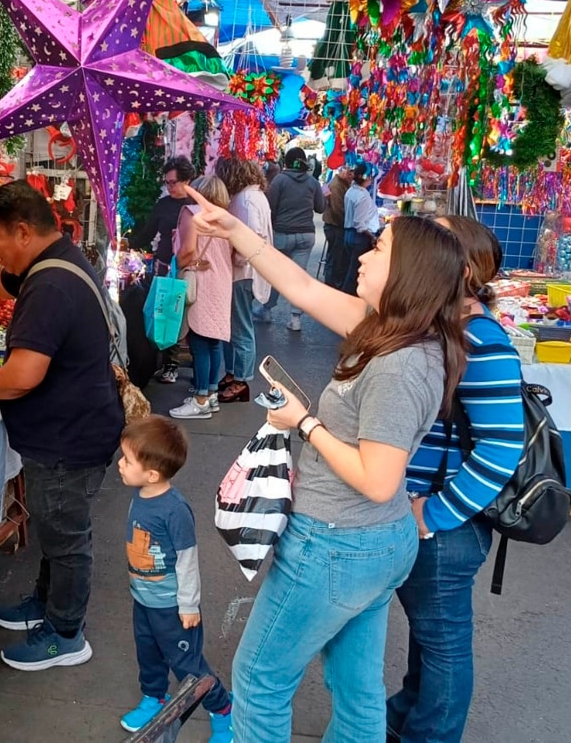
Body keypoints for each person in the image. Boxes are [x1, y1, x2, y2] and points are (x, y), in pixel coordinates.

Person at [186, 184, 468, 743]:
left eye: (379, 249)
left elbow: (378, 478)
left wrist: (304, 422)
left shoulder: (400, 363)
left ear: (409, 273)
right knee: (357, 687)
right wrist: (235, 230)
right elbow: (302, 286)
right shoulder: (391, 330)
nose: (363, 254)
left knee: (259, 679)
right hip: (370, 544)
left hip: (337, 545)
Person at [0, 180, 124, 671]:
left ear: (21, 231)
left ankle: (65, 633)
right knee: (54, 529)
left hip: (69, 437)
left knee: (66, 535)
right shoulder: (49, 261)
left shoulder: (51, 285)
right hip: (70, 428)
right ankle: (45, 603)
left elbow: (23, 375)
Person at [386, 216, 525, 743]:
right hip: (425, 515)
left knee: (443, 642)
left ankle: (430, 732)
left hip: (443, 526)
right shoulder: (441, 328)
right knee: (429, 637)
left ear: (459, 268)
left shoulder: (479, 340)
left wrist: (434, 514)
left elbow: (500, 448)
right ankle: (407, 713)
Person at [117, 415, 233, 742]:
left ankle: (223, 710)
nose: (120, 464)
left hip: (172, 607)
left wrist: (189, 605)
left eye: (127, 460)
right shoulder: (141, 495)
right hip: (144, 600)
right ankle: (155, 698)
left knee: (188, 665)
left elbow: (187, 560)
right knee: (148, 653)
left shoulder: (174, 509)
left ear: (152, 474)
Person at [128, 156, 197, 384]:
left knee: (182, 316)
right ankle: (161, 361)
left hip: (188, 268)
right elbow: (149, 233)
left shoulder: (196, 205)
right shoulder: (163, 204)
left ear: (187, 180)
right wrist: (129, 243)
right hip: (164, 265)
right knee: (163, 314)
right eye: (166, 182)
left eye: (173, 182)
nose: (169, 187)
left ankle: (175, 365)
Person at [169, 176, 233, 420]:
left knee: (198, 341)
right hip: (222, 282)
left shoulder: (192, 213)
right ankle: (212, 393)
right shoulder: (226, 219)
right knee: (214, 340)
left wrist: (182, 264)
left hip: (201, 282)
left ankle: (201, 399)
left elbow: (186, 250)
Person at [214, 158, 272, 404]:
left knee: (240, 326)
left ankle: (241, 378)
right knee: (234, 325)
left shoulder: (246, 200)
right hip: (244, 272)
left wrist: (236, 258)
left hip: (243, 273)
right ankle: (234, 372)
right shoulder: (253, 196)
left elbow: (252, 235)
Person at [260, 147, 326, 331]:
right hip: (306, 235)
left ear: (286, 162)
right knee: (298, 277)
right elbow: (320, 208)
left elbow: (270, 207)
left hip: (282, 234)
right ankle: (295, 318)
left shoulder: (279, 181)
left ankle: (266, 310)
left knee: (276, 274)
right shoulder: (312, 182)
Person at [341, 163, 382, 294]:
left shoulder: (351, 191)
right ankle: (348, 300)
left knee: (350, 269)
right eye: (370, 176)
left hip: (349, 234)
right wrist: (372, 237)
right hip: (359, 238)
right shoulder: (363, 196)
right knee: (355, 273)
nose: (371, 179)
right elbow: (360, 223)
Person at [322, 165, 354, 287]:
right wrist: (348, 223)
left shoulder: (342, 184)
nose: (352, 176)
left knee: (335, 257)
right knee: (335, 258)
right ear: (343, 172)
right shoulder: (337, 186)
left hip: (335, 225)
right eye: (350, 173)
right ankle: (331, 284)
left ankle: (333, 282)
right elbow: (338, 210)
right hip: (335, 226)